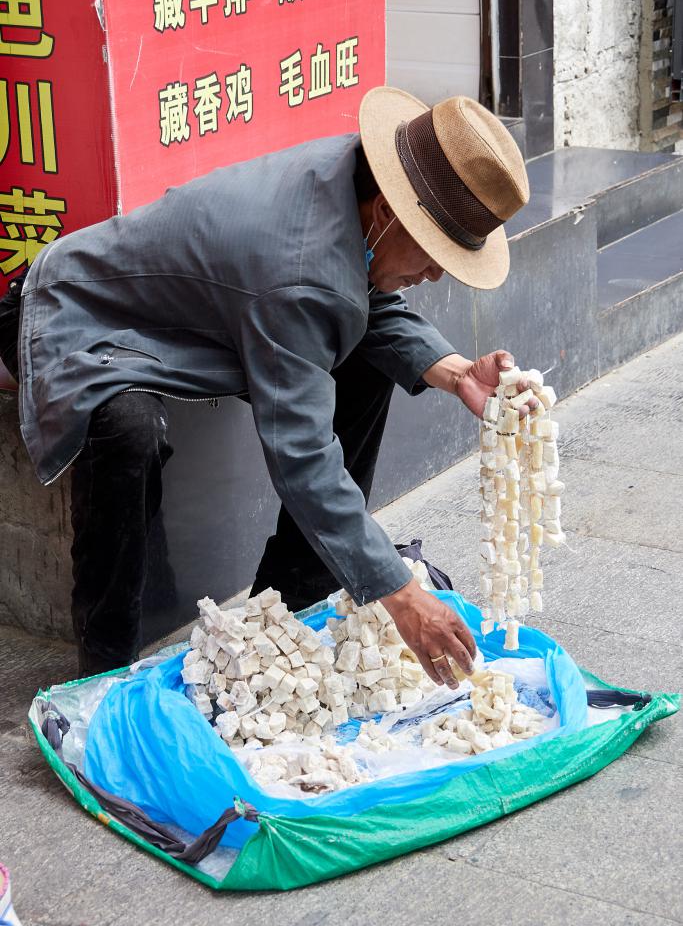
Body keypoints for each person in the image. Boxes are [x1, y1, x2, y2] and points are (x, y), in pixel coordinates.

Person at [1, 86, 534, 685]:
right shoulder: (301, 268)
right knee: (125, 432)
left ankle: (286, 607)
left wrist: (456, 371)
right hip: (73, 315)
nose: (435, 273)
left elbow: (360, 295)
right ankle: (100, 678)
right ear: (388, 208)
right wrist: (402, 594)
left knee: (363, 360)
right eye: (434, 252)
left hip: (192, 322)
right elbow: (303, 458)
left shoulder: (358, 186)